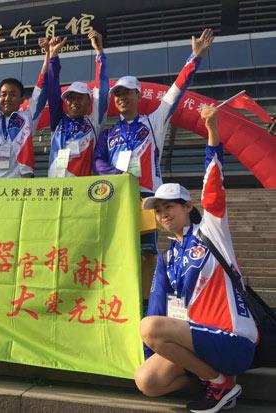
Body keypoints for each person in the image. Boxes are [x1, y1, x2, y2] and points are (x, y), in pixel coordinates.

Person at [134, 105, 258, 413]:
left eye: (169, 206)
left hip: (233, 339)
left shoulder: (211, 230)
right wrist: (157, 356)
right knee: (147, 380)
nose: (163, 214)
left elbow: (213, 184)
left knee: (149, 326)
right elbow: (158, 307)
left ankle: (220, 384)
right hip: (195, 341)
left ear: (188, 206)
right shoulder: (167, 258)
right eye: (158, 210)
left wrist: (212, 131)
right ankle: (214, 381)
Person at [93, 28, 214, 299]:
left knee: (147, 253)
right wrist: (118, 174)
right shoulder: (109, 133)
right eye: (117, 94)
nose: (121, 98)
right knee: (115, 252)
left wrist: (194, 58)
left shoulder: (154, 121)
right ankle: (117, 300)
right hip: (117, 197)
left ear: (138, 95)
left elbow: (176, 92)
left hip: (147, 197)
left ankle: (145, 303)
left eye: (127, 93)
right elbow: (97, 161)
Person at [0, 37, 50, 178]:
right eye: (3, 94)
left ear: (22, 99)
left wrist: (48, 54)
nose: (7, 98)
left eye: (12, 94)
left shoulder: (28, 118)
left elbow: (41, 89)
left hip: (19, 183)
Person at [47, 31, 109, 178]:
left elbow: (102, 89)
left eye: (79, 97)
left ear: (89, 101)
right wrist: (53, 56)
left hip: (81, 188)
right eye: (70, 98)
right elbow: (52, 89)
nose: (74, 102)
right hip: (54, 187)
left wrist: (99, 52)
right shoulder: (58, 121)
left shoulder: (94, 122)